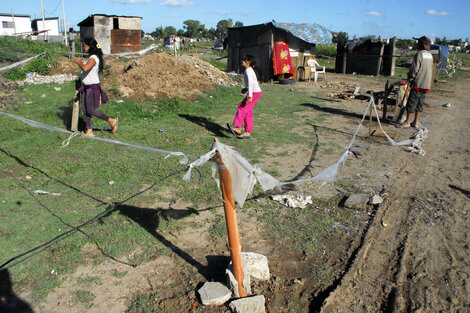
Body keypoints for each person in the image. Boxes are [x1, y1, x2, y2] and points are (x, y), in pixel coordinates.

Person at [75, 37, 117, 137]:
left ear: (90, 46)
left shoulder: (93, 58)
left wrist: (79, 62)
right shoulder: (91, 57)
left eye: (85, 46)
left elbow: (85, 68)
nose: (84, 48)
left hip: (92, 87)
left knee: (91, 110)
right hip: (86, 86)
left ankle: (111, 120)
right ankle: (89, 131)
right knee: (85, 109)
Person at [397, 36, 433, 128]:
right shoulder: (430, 55)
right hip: (426, 84)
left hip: (418, 83)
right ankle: (416, 122)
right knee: (420, 104)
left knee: (412, 102)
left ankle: (408, 121)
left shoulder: (419, 54)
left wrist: (411, 78)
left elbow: (414, 69)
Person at [227, 55, 262, 139]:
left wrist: (250, 96)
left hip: (254, 93)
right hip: (256, 92)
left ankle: (238, 128)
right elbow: (252, 83)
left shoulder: (248, 71)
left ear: (248, 62)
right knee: (248, 112)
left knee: (242, 108)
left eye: (243, 60)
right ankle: (247, 132)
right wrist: (245, 89)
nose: (242, 61)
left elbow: (250, 83)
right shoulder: (249, 70)